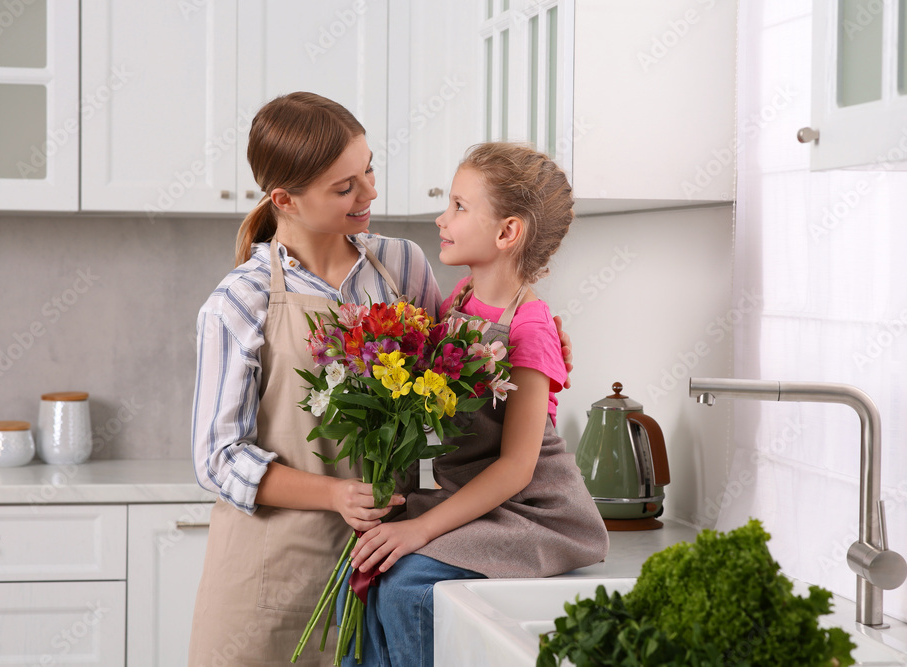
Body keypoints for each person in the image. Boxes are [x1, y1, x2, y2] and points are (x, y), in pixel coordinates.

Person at [188, 93, 575, 666]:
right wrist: (336, 494)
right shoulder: (237, 302)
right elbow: (217, 459)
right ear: (285, 200)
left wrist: (538, 341)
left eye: (368, 169)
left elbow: (453, 365)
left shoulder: (402, 266)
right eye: (345, 187)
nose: (369, 193)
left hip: (381, 559)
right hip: (271, 572)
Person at [342, 143, 610, 667]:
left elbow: (516, 467)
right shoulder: (460, 298)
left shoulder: (530, 327)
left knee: (406, 592)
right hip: (466, 494)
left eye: (460, 207)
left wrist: (419, 528)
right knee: (357, 586)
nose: (443, 218)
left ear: (507, 232)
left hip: (527, 510)